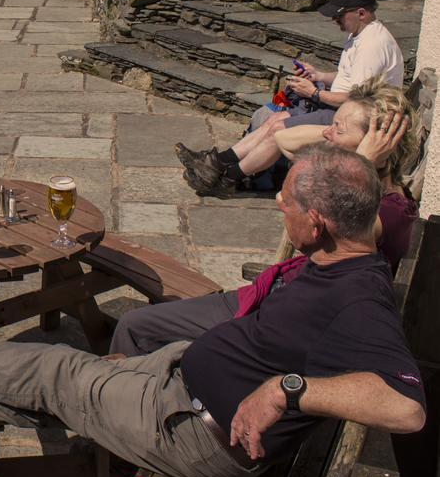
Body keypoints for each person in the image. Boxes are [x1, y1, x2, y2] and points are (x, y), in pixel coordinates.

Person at [0, 146, 425, 477]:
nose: (277, 209)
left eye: (285, 204)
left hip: (191, 432)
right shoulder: (341, 256)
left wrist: (285, 389)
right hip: (179, 381)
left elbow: (407, 409)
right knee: (89, 369)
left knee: (60, 369)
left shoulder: (358, 300)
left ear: (316, 222)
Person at [112, 79, 421, 358]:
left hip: (284, 318)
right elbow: (286, 140)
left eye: (339, 130)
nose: (327, 133)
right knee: (142, 326)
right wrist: (339, 134)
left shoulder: (389, 212)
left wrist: (361, 161)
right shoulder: (364, 187)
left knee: (135, 327)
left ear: (380, 145)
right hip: (281, 295)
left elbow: (342, 228)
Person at [177, 0, 404, 194]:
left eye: (339, 15)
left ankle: (227, 179)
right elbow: (349, 77)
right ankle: (216, 163)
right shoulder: (362, 35)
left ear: (361, 13)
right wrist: (319, 75)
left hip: (354, 121)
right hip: (343, 111)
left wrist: (314, 92)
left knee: (279, 129)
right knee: (274, 119)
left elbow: (353, 99)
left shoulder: (372, 46)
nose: (335, 20)